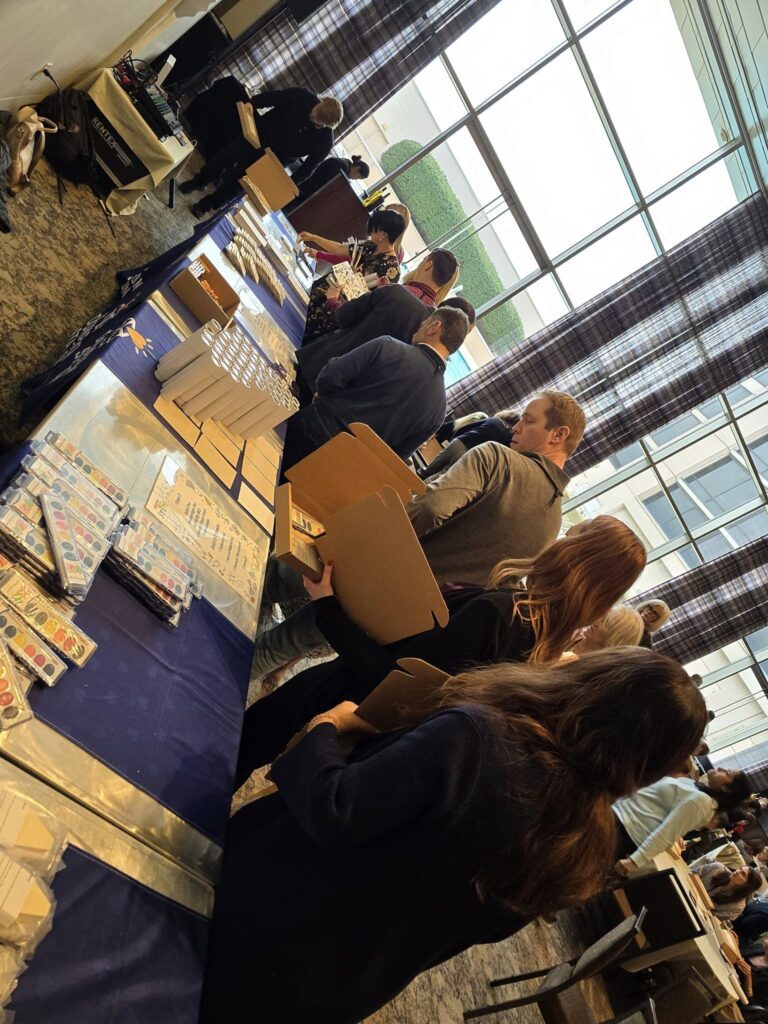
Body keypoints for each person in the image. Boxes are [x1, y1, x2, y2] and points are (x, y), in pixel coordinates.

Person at [199, 649, 707, 1024]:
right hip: (331, 990)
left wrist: (324, 730)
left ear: (594, 681)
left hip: (249, 912)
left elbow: (335, 808)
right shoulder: (582, 851)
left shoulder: (481, 738)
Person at [244, 514, 646, 748]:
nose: (560, 538)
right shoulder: (542, 646)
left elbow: (391, 679)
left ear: (573, 557)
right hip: (364, 725)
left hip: (337, 701)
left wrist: (327, 604)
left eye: (572, 536)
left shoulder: (504, 614)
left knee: (240, 743)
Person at [407, 391, 586, 585]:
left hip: (397, 568)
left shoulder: (497, 458)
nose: (516, 428)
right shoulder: (554, 524)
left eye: (528, 421)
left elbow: (429, 508)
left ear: (558, 434)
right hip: (437, 609)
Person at [280, 306, 468, 474]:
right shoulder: (439, 409)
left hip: (317, 427)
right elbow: (396, 457)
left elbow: (330, 375)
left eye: (424, 322)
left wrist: (324, 394)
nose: (419, 326)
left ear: (434, 326)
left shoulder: (388, 346)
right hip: (348, 467)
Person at [295, 249, 460, 399]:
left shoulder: (396, 292)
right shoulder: (430, 325)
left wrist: (332, 300)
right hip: (352, 392)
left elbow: (344, 317)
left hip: (326, 363)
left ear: (428, 264)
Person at [181, 89, 343, 217]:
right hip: (259, 133)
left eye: (317, 122)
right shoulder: (303, 96)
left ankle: (205, 205)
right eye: (314, 113)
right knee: (225, 157)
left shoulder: (325, 142)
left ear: (327, 126)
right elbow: (274, 97)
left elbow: (308, 169)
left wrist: (287, 184)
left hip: (274, 159)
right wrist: (253, 103)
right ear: (320, 102)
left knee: (238, 183)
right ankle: (199, 181)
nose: (312, 118)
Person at [613, 766, 753, 873]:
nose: (721, 768)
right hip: (619, 816)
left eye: (727, 773)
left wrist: (635, 861)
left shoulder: (702, 802)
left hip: (624, 830)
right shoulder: (695, 786)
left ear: (727, 789)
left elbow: (667, 833)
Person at [301, 208, 404, 339]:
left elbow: (371, 303)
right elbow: (339, 249)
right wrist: (314, 238)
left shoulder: (392, 270)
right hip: (326, 290)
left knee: (305, 332)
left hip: (338, 308)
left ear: (383, 234)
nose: (370, 233)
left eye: (373, 230)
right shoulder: (370, 246)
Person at [419, 409, 521, 479]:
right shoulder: (510, 441)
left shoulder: (494, 421)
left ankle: (420, 474)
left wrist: (456, 439)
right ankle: (418, 490)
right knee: (441, 476)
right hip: (467, 457)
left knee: (429, 470)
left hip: (459, 442)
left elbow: (465, 428)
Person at [690, 862, 762, 923]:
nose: (737, 871)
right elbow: (690, 873)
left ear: (747, 886)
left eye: (742, 874)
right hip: (685, 891)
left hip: (693, 916)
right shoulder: (718, 868)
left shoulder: (737, 907)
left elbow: (712, 921)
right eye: (740, 869)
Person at [290, 153, 370, 203]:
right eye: (358, 177)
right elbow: (328, 189)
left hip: (306, 188)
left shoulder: (344, 163)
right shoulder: (341, 168)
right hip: (305, 191)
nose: (355, 179)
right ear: (357, 168)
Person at [568, 604, 645, 655]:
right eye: (601, 616)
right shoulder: (573, 634)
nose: (596, 621)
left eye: (606, 623)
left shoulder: (594, 669)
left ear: (617, 638)